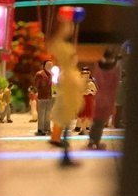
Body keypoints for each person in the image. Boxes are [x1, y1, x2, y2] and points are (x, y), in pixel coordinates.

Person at [47, 25, 83, 165]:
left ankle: (65, 153)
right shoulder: (68, 73)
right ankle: (65, 156)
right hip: (66, 105)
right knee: (66, 129)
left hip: (67, 105)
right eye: (73, 57)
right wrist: (63, 31)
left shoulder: (68, 72)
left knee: (66, 129)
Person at [88, 48, 120, 150]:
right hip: (108, 98)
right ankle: (96, 141)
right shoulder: (115, 69)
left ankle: (92, 139)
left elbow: (96, 79)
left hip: (98, 97)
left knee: (96, 120)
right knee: (101, 122)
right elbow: (115, 85)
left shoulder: (98, 66)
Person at [34, 59, 54, 136]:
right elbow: (36, 85)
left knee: (48, 113)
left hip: (49, 96)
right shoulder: (40, 74)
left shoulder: (50, 75)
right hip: (42, 96)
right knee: (42, 113)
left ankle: (47, 128)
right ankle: (40, 129)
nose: (50, 66)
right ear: (44, 66)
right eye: (48, 65)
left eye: (51, 65)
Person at [75, 69, 96, 135]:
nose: (86, 77)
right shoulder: (79, 83)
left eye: (87, 75)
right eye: (84, 75)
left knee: (88, 115)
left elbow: (95, 91)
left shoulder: (91, 83)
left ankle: (86, 129)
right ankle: (83, 129)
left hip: (89, 100)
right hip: (82, 100)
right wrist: (83, 93)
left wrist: (90, 92)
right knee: (82, 115)